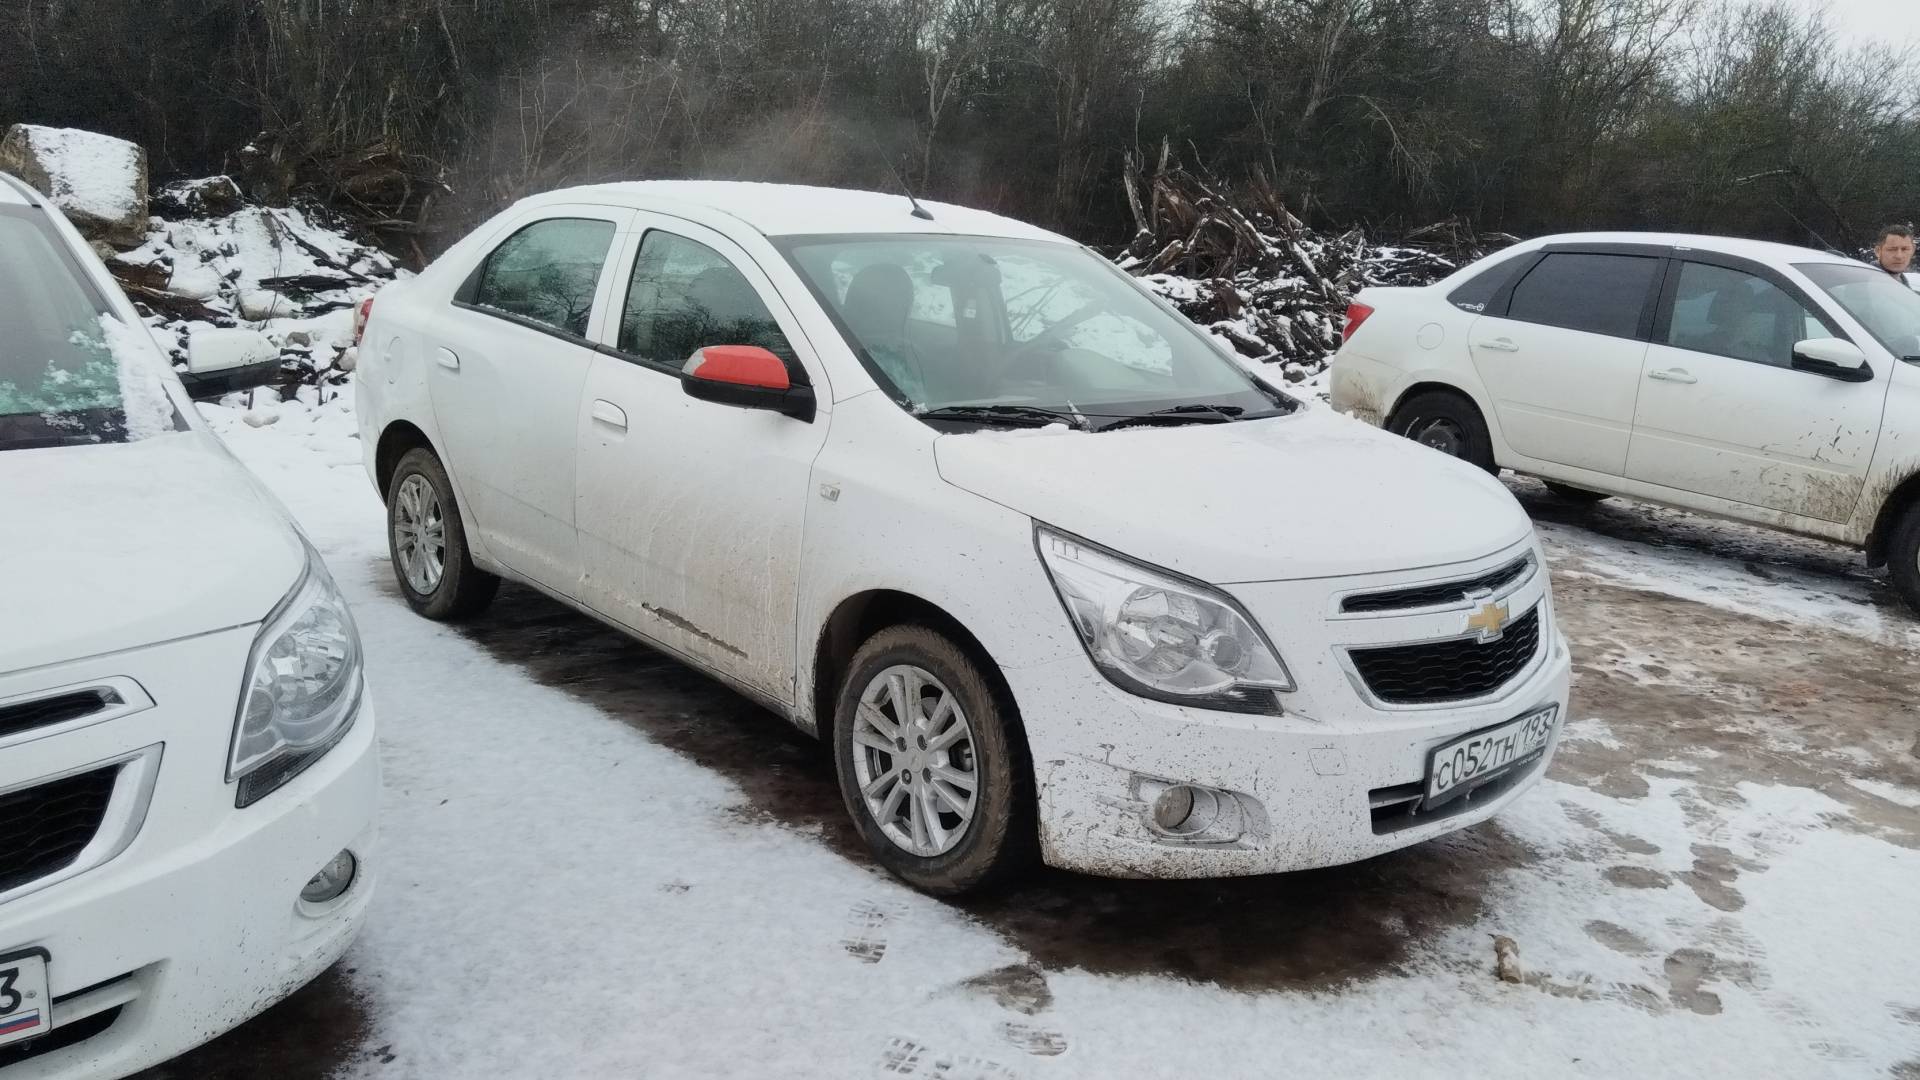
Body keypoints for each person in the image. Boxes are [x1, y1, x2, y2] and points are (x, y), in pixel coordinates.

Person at [1872, 224, 1917, 289]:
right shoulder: (1863, 283)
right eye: (1892, 249)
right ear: (1878, 251)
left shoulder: (1902, 282)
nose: (1899, 256)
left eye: (1904, 249)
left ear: (1913, 250)